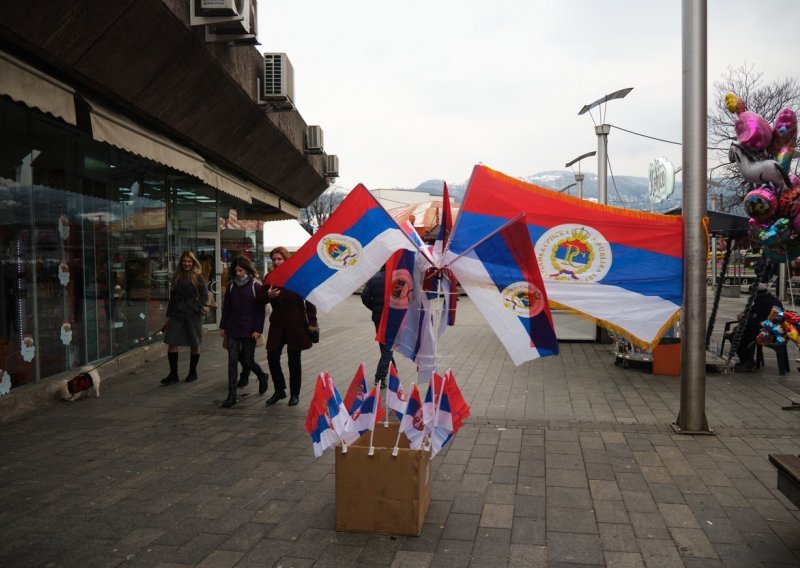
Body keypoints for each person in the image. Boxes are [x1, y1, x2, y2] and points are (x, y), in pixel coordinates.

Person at [261, 246, 318, 407]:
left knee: (294, 360)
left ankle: (295, 394)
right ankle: (280, 390)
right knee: (272, 356)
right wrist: (268, 296)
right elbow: (258, 300)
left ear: (286, 260)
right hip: (278, 323)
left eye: (279, 259)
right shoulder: (270, 277)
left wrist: (312, 322)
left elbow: (310, 298)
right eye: (274, 259)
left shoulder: (297, 276)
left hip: (296, 323)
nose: (276, 262)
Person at [219, 256, 266, 408]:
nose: (238, 273)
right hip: (233, 328)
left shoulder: (255, 286)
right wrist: (223, 326)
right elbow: (226, 308)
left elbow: (260, 310)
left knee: (248, 361)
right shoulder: (232, 286)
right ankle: (231, 396)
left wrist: (258, 329)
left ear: (247, 270)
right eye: (236, 271)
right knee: (232, 361)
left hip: (249, 330)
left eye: (241, 270)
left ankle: (262, 376)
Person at [161, 251, 208, 385]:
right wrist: (168, 316)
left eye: (189, 261)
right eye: (184, 261)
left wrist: (195, 307)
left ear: (193, 262)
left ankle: (193, 372)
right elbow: (173, 298)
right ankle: (173, 374)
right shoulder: (176, 276)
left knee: (194, 342)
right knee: (171, 341)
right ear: (181, 262)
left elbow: (205, 295)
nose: (186, 263)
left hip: (192, 315)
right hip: (177, 313)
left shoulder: (197, 275)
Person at [735, 282, 783, 372]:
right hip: (777, 331)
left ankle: (747, 362)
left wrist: (741, 325)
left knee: (737, 337)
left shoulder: (762, 303)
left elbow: (755, 322)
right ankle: (747, 361)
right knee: (741, 333)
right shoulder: (771, 300)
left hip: (768, 333)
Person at [361, 265, 395, 388]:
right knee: (387, 348)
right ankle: (380, 378)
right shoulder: (395, 278)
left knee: (385, 346)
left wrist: (374, 308)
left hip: (378, 318)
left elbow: (364, 296)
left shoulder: (374, 278)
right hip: (392, 317)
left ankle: (393, 374)